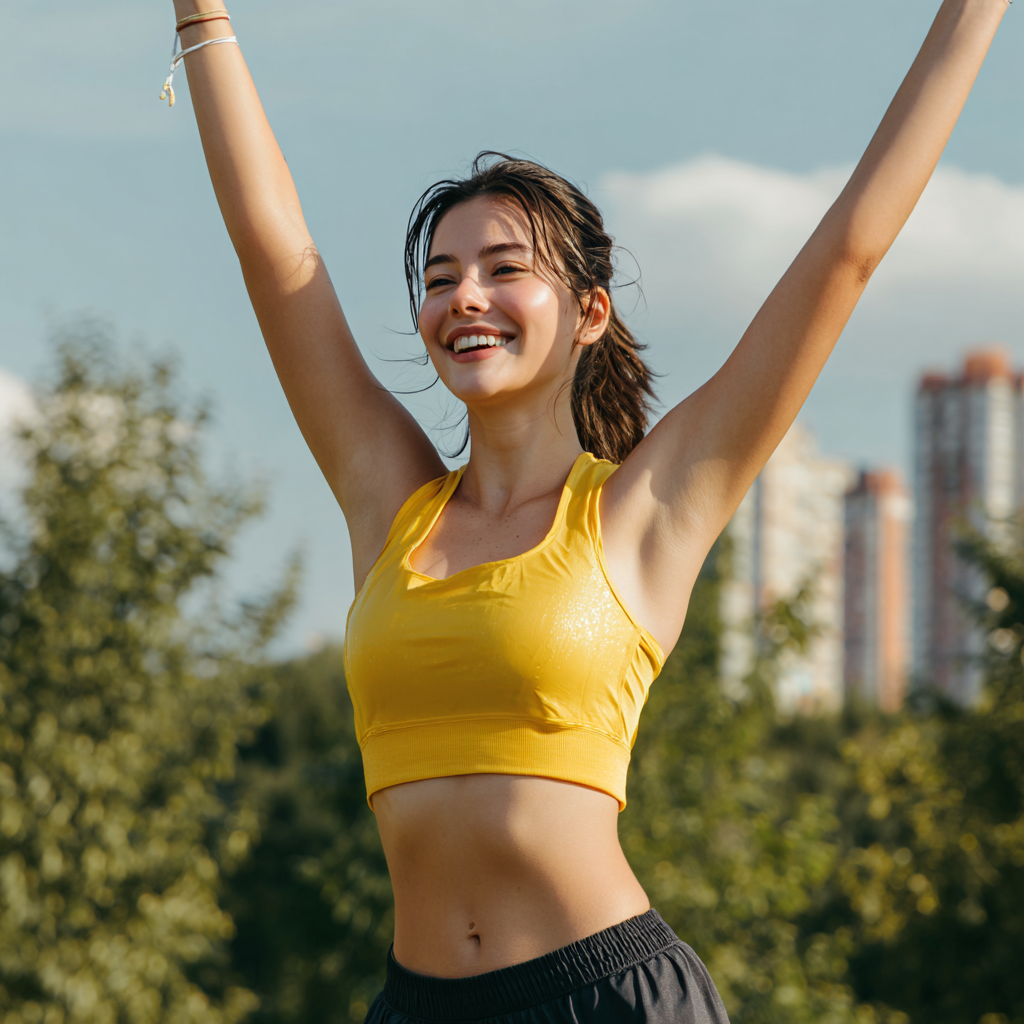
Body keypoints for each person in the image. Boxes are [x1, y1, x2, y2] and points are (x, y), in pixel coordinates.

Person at [165, 1, 1010, 1020]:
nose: (464, 295)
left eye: (503, 269)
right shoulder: (388, 502)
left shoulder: (645, 509)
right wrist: (200, 14)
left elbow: (847, 251)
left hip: (607, 996)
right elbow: (273, 249)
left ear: (589, 313)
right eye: (441, 278)